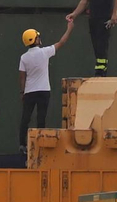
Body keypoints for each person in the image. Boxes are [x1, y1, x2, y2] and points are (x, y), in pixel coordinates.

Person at [18, 18, 76, 148]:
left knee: (25, 118)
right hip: (44, 91)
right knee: (41, 117)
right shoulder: (45, 52)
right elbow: (62, 42)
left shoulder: (24, 57)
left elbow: (22, 76)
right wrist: (69, 28)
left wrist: (22, 91)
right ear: (35, 40)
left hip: (29, 92)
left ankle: (22, 144)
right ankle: (40, 143)